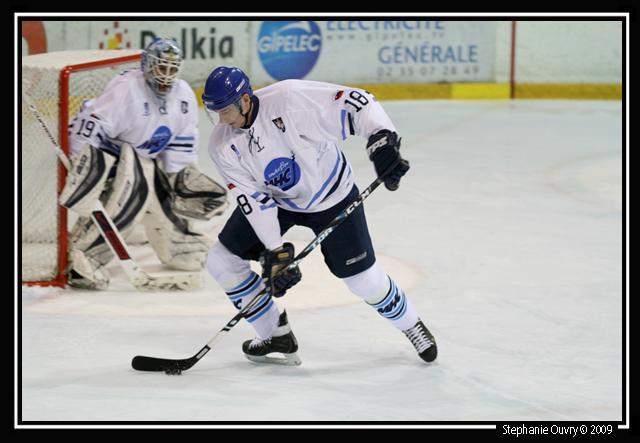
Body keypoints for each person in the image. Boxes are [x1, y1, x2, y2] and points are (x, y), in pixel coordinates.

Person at [201, 66, 437, 365]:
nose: (222, 120)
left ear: (245, 100)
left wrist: (381, 140)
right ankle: (275, 334)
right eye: (216, 112)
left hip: (332, 196)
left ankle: (411, 324)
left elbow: (358, 101)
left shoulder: (289, 99)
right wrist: (276, 252)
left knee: (364, 281)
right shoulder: (222, 145)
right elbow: (254, 201)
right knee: (221, 260)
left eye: (226, 111)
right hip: (279, 203)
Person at [60, 38, 228, 289]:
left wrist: (181, 179)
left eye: (172, 69)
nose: (166, 75)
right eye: (161, 67)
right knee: (133, 194)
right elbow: (91, 123)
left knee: (170, 213)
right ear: (147, 65)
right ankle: (83, 257)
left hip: (143, 158)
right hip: (107, 154)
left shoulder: (183, 95)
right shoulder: (127, 88)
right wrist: (83, 163)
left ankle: (175, 245)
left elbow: (181, 143)